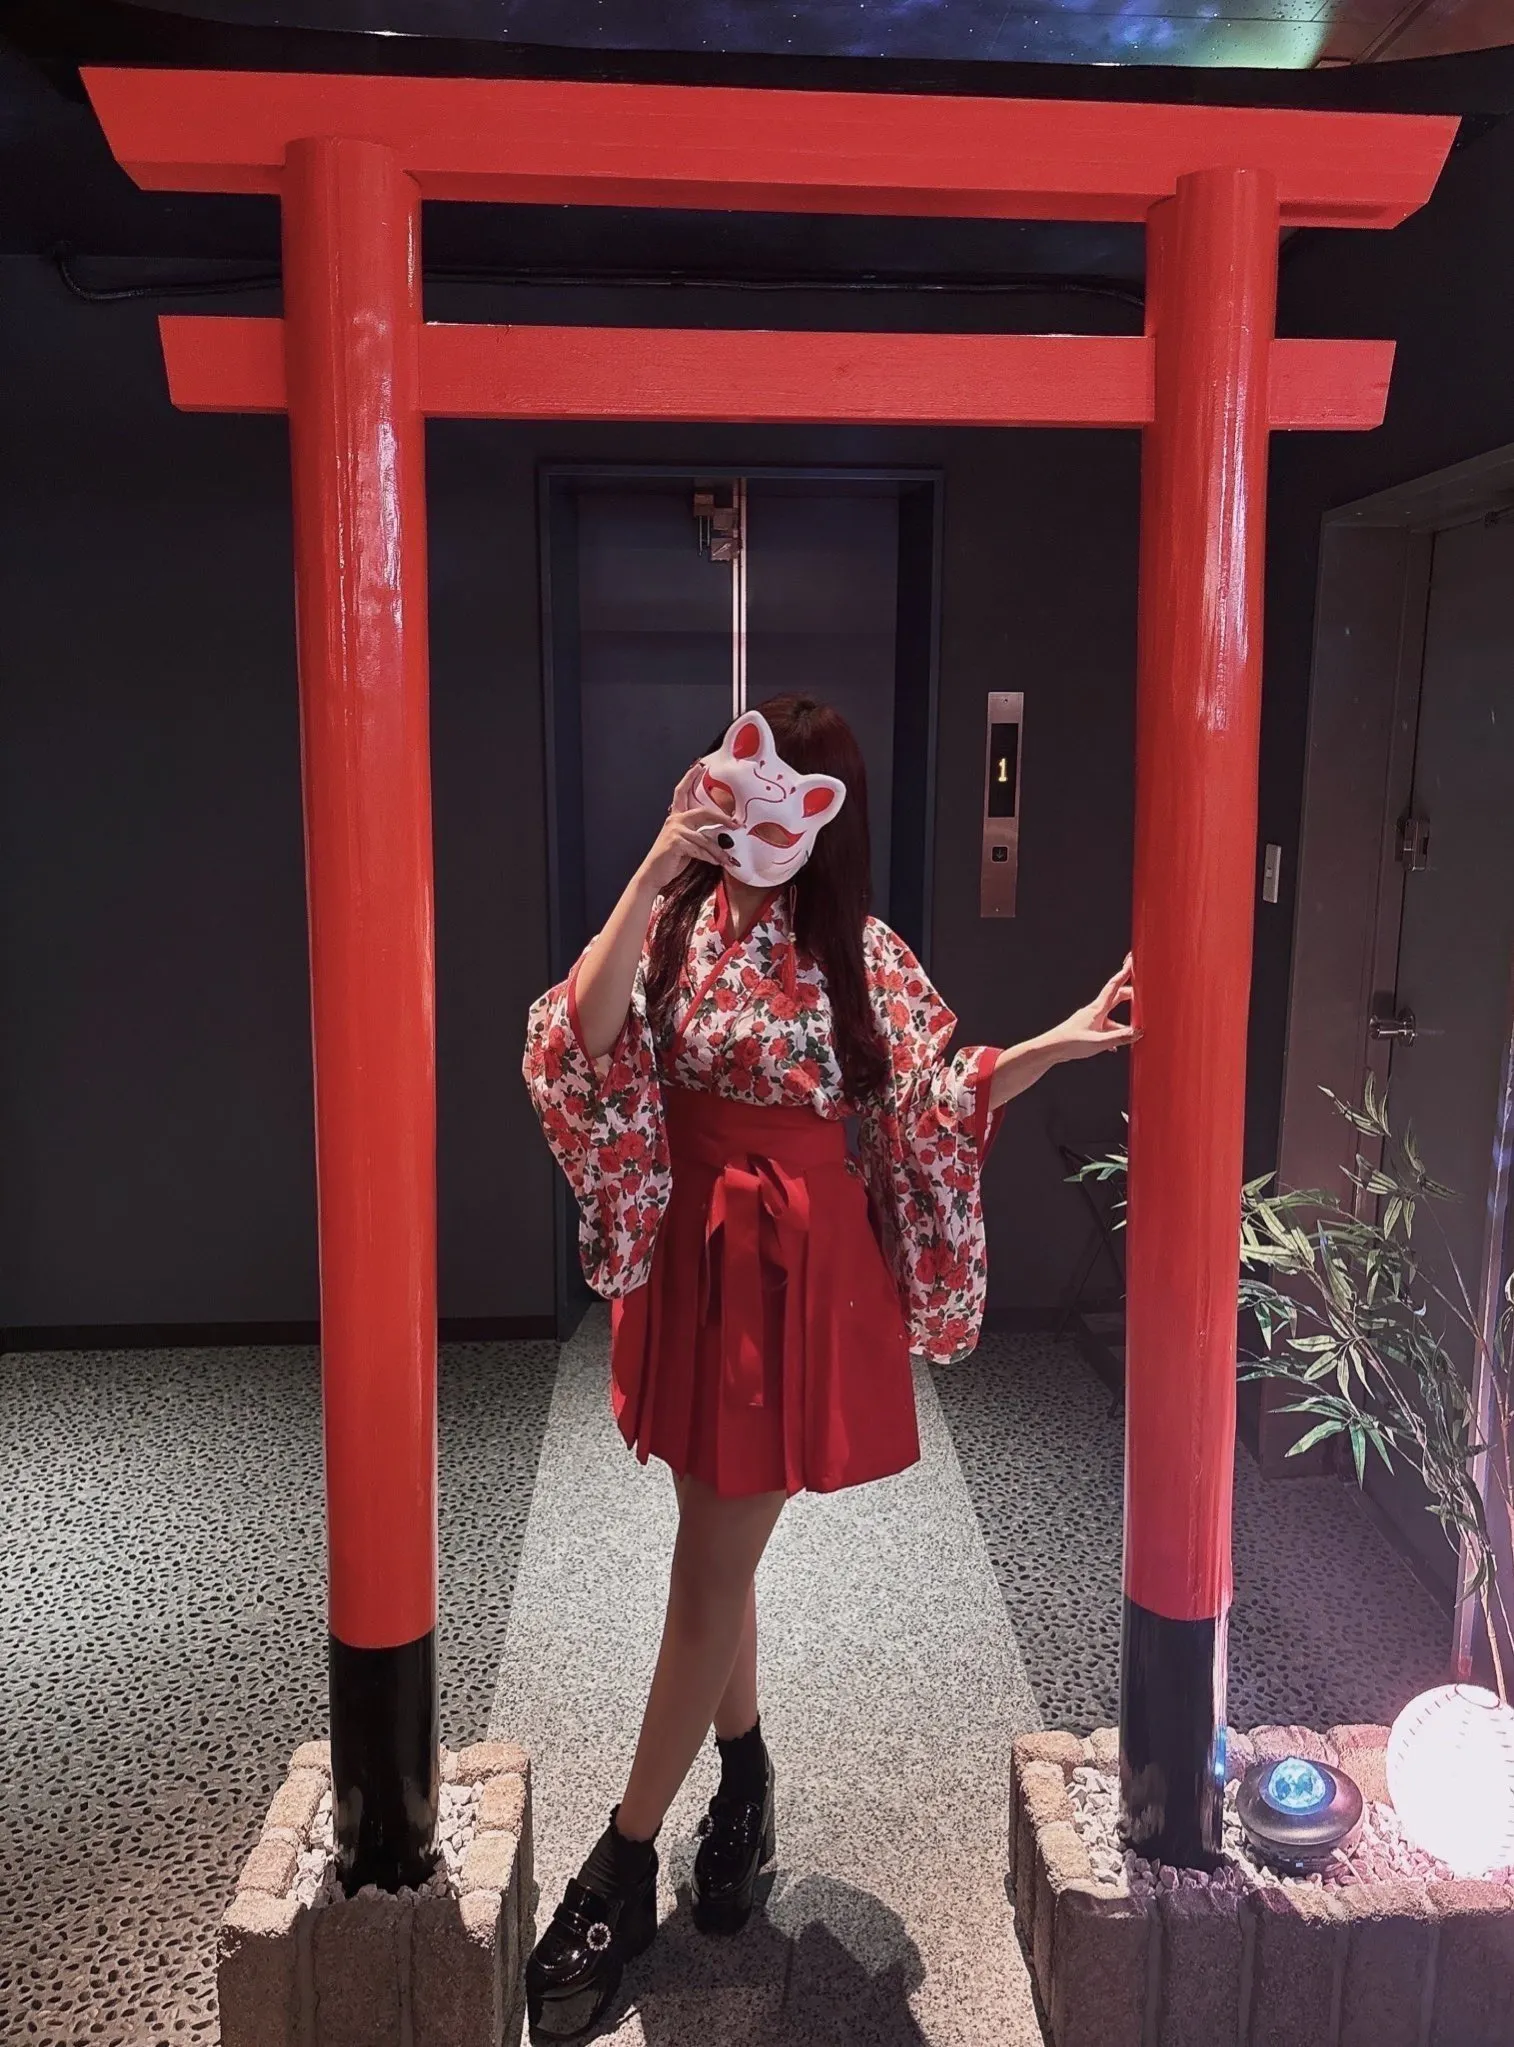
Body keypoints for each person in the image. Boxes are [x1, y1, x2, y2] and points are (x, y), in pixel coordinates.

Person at [520, 695, 1136, 2037]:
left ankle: (621, 1860)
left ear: (820, 814)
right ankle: (744, 1777)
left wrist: (1060, 1041)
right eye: (733, 791)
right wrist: (650, 868)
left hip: (788, 1280)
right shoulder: (676, 922)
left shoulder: (857, 951)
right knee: (709, 1539)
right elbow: (580, 1036)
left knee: (706, 1566)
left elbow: (933, 1098)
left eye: (780, 798)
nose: (748, 820)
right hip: (691, 1252)